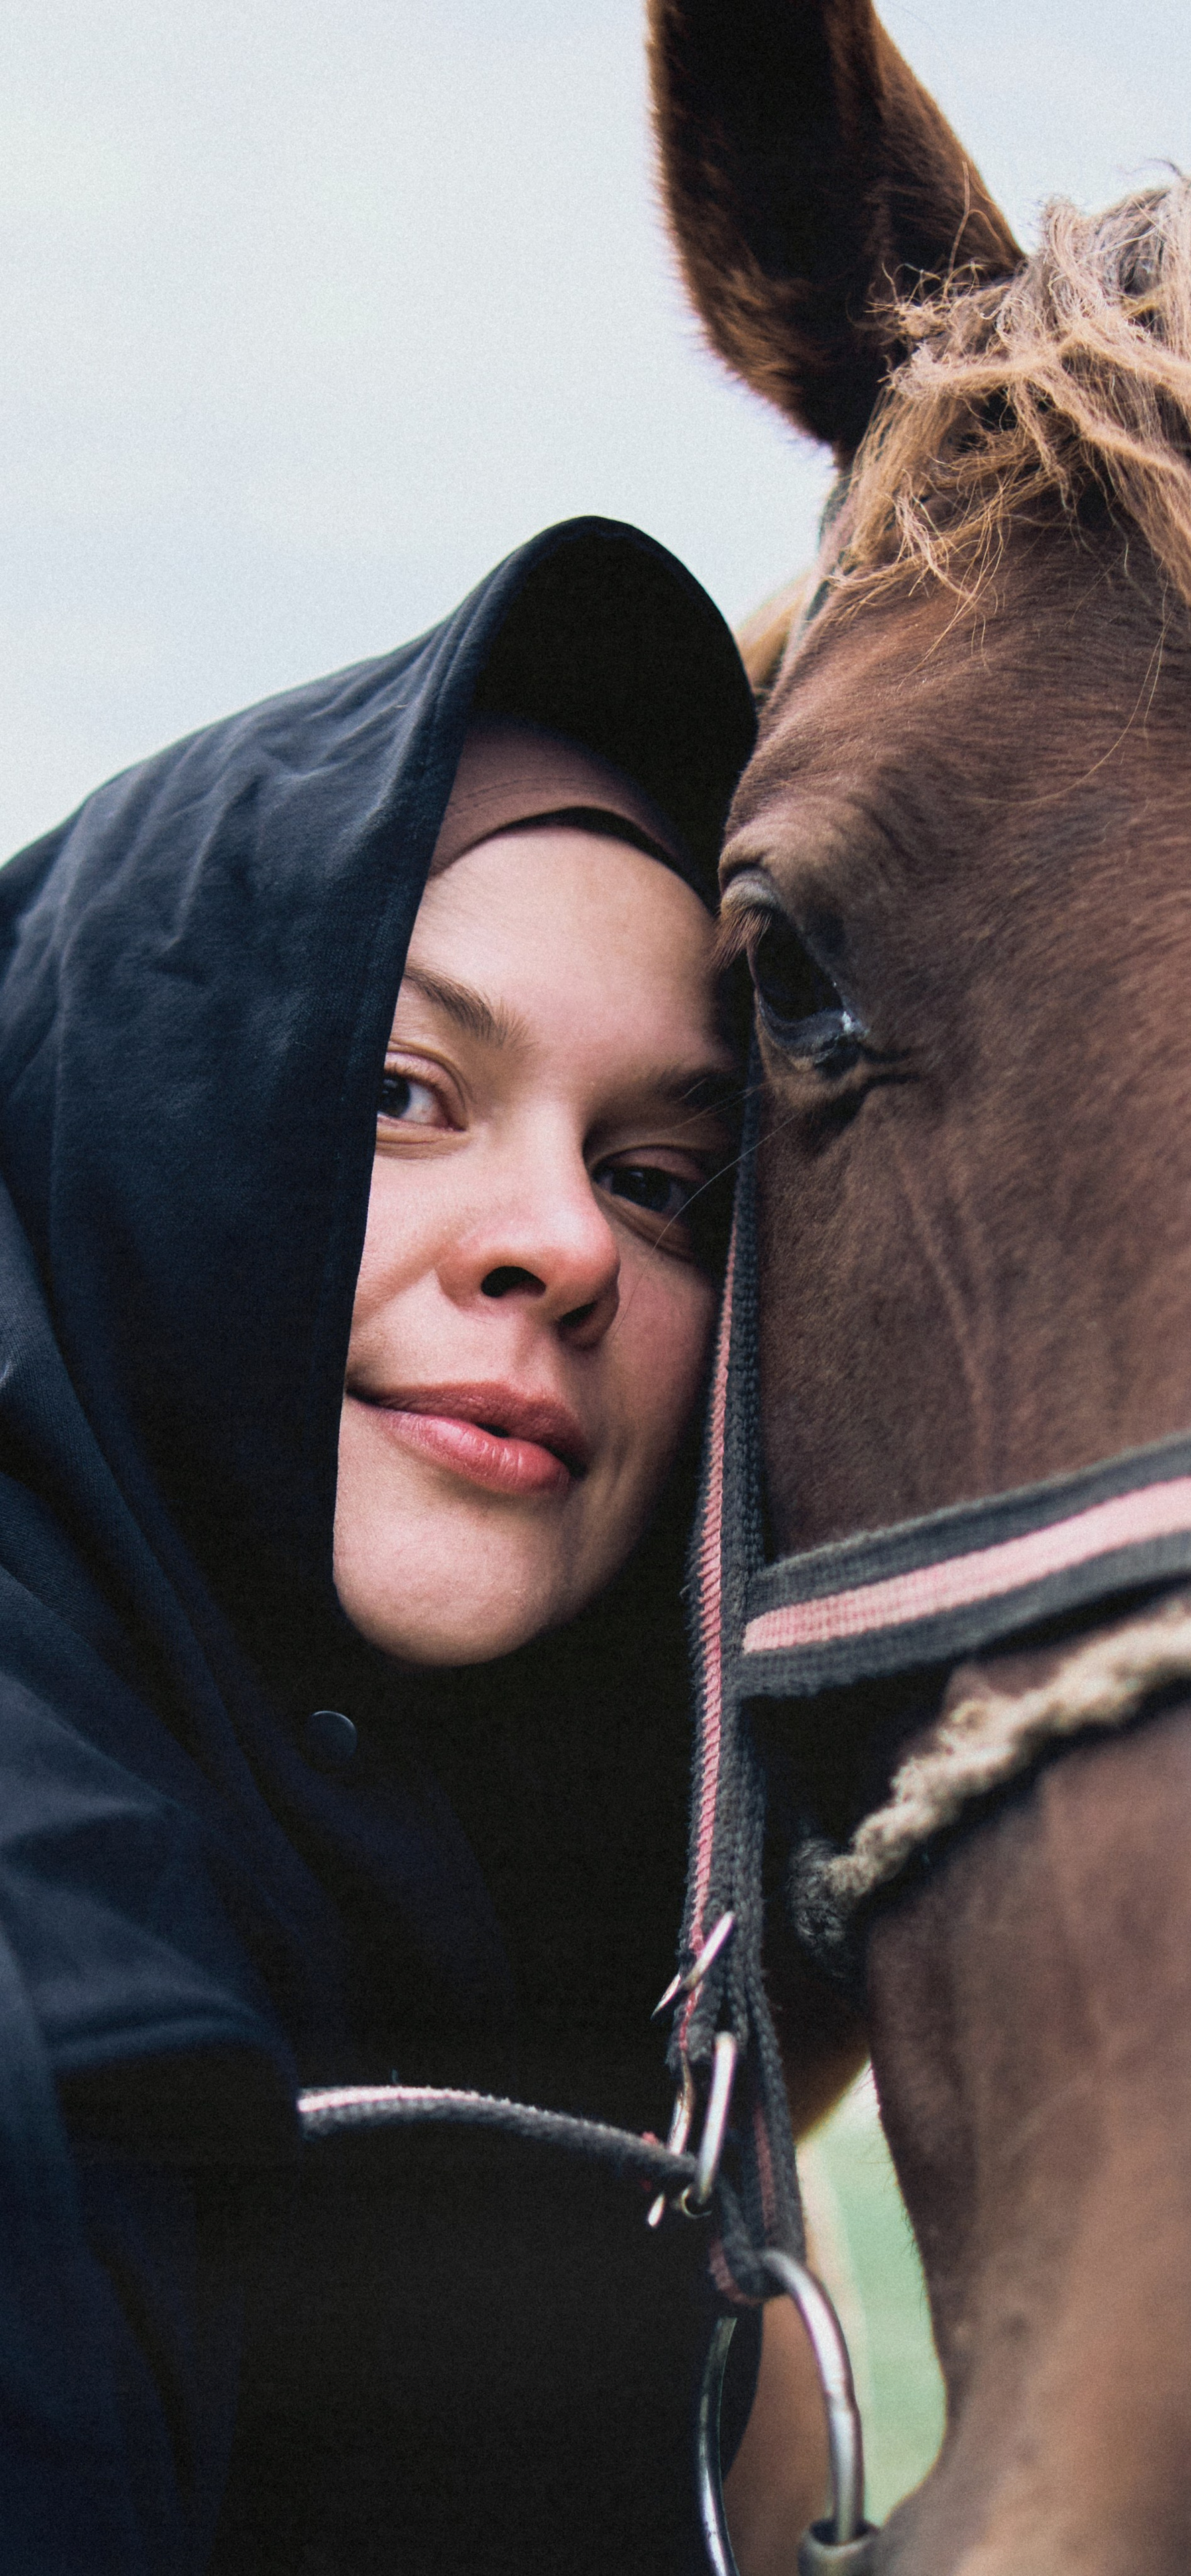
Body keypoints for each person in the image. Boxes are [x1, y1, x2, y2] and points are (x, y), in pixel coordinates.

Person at [0, 517, 780, 2571]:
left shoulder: (621, 1982)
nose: (566, 1241)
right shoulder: (46, 1985)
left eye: (669, 1178)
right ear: (156, 1119)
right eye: (407, 1088)